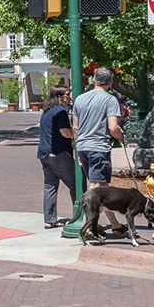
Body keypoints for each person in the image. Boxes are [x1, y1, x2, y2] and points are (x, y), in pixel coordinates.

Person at [71, 68, 123, 221]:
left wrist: (77, 149)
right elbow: (113, 127)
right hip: (98, 147)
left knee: (103, 188)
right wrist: (121, 136)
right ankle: (86, 226)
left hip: (83, 146)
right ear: (110, 83)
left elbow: (75, 128)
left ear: (94, 80)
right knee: (95, 188)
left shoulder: (79, 99)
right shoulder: (110, 100)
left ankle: (115, 225)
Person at [37, 87, 75, 229]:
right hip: (59, 153)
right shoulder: (61, 112)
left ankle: (50, 219)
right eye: (67, 94)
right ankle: (79, 216)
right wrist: (75, 134)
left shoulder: (46, 111)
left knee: (50, 185)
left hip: (44, 154)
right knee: (75, 183)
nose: (70, 97)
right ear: (59, 96)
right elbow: (65, 132)